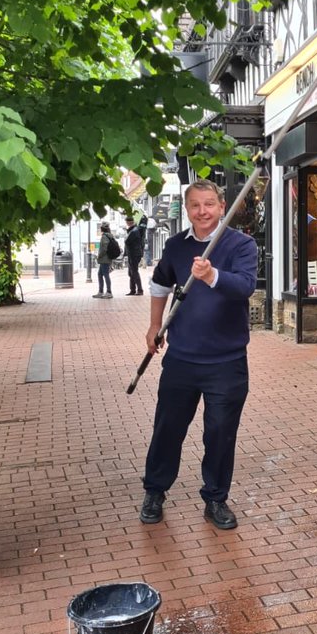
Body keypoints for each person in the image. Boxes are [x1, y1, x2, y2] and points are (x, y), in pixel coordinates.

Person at [140, 180, 257, 529]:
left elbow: (244, 287)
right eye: (195, 205)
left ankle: (216, 498)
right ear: (188, 209)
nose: (202, 211)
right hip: (182, 359)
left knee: (220, 432)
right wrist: (154, 326)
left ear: (222, 207)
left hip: (226, 360)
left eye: (209, 204)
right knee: (168, 428)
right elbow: (160, 283)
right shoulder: (176, 246)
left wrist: (211, 276)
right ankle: (155, 491)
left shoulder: (241, 244)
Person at [124, 216, 145, 296]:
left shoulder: (133, 231)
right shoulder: (133, 230)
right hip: (133, 254)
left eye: (126, 222)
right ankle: (132, 290)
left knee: (134, 272)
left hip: (134, 254)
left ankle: (140, 290)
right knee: (131, 272)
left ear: (129, 222)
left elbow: (127, 241)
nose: (126, 223)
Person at [92, 221, 114, 298]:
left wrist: (99, 256)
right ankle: (101, 291)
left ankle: (108, 292)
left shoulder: (105, 236)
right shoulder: (110, 235)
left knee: (106, 275)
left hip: (104, 259)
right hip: (106, 259)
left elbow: (104, 248)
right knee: (100, 274)